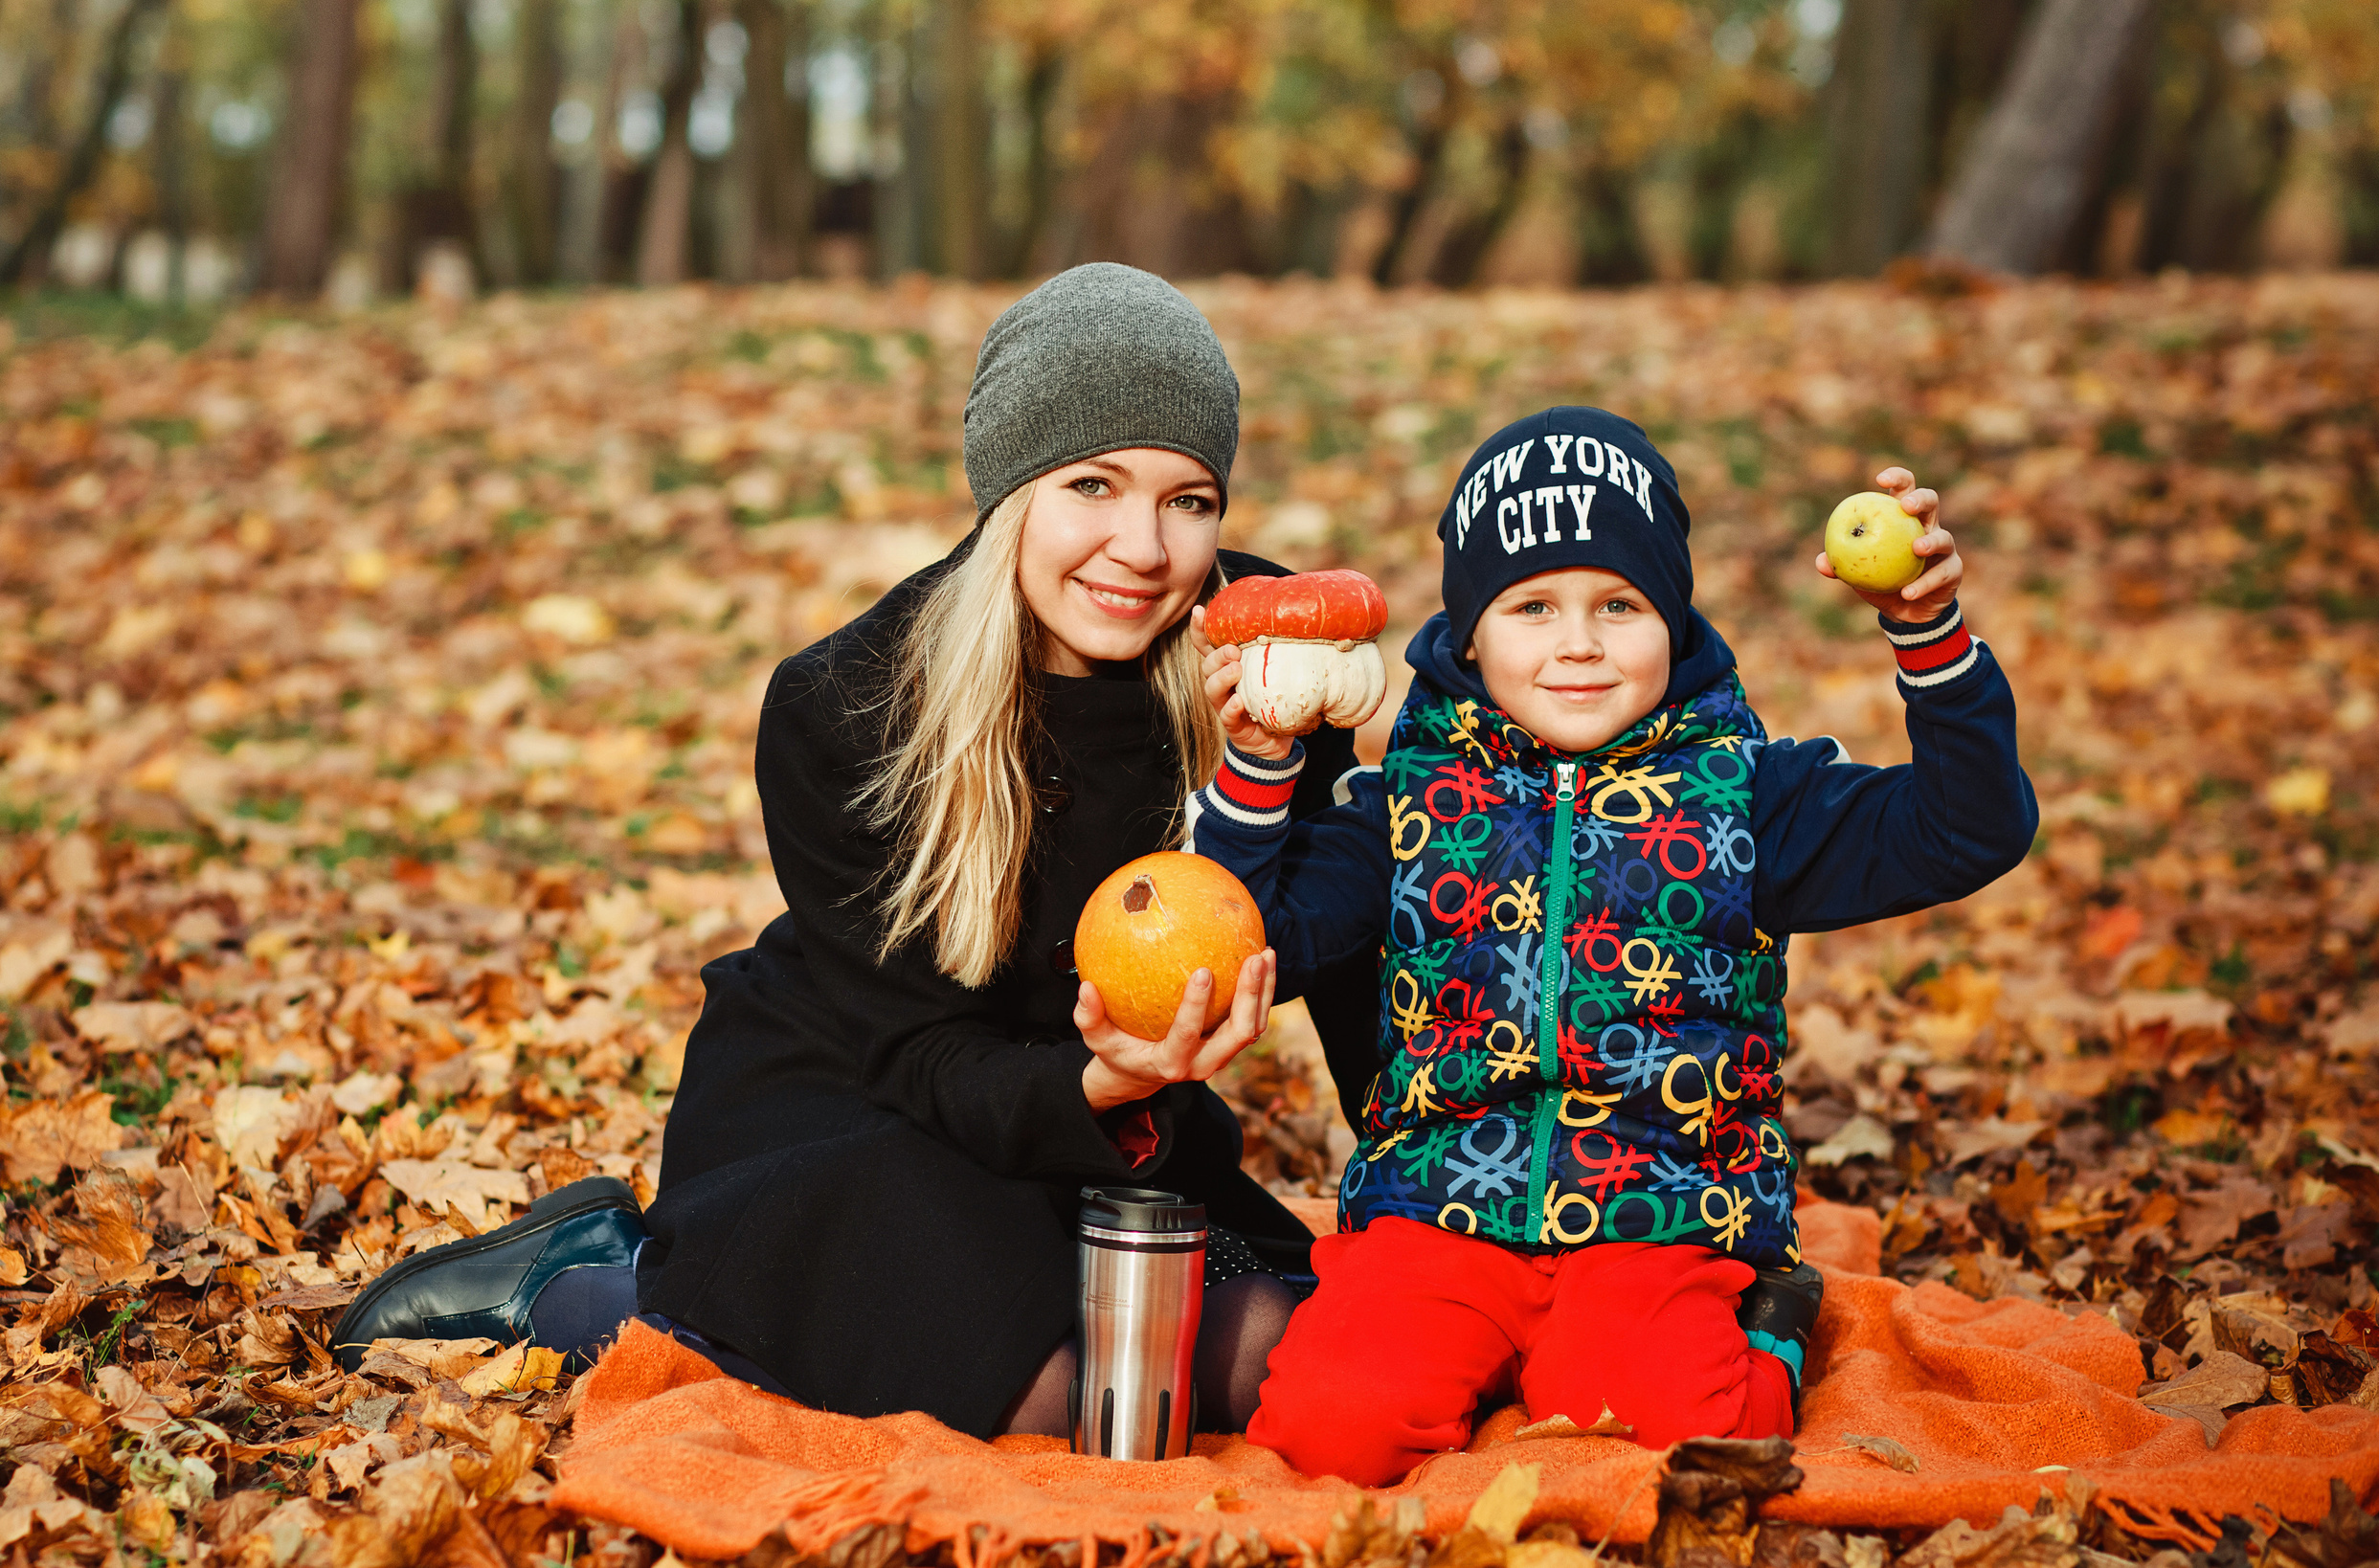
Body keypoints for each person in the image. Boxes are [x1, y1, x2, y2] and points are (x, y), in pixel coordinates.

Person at [331, 263, 1378, 1438]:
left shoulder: (1268, 657)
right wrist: (1102, 1080)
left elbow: (1352, 914)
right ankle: (592, 1287)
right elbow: (921, 1048)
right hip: (865, 1105)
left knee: (1275, 1360)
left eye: (1189, 501)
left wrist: (1416, 1181)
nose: (1141, 547)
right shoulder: (848, 705)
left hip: (1109, 1132)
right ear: (1010, 489)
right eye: (1093, 485)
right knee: (1044, 1389)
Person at [1179, 406, 2038, 1484]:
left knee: (1675, 1435)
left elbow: (1969, 829)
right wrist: (1258, 770)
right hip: (1438, 1211)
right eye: (1532, 605)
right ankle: (1479, 1359)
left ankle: (1763, 1332)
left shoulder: (1744, 793)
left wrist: (1928, 632)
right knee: (1328, 1431)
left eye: (1618, 605)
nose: (1577, 641)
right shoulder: (1404, 799)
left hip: (1664, 1210)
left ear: (1671, 621)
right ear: (1470, 634)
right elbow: (1255, 938)